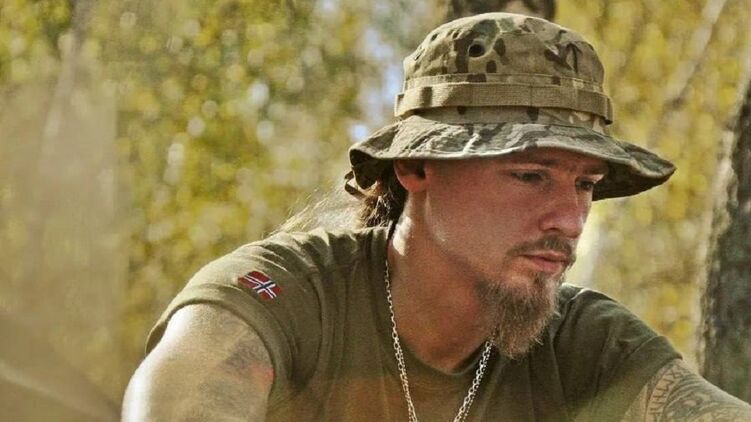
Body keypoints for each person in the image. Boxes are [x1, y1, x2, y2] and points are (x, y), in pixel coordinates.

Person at [123, 13, 751, 421]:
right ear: (417, 168)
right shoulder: (287, 296)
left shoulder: (585, 343)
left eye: (585, 185)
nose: (569, 219)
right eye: (530, 175)